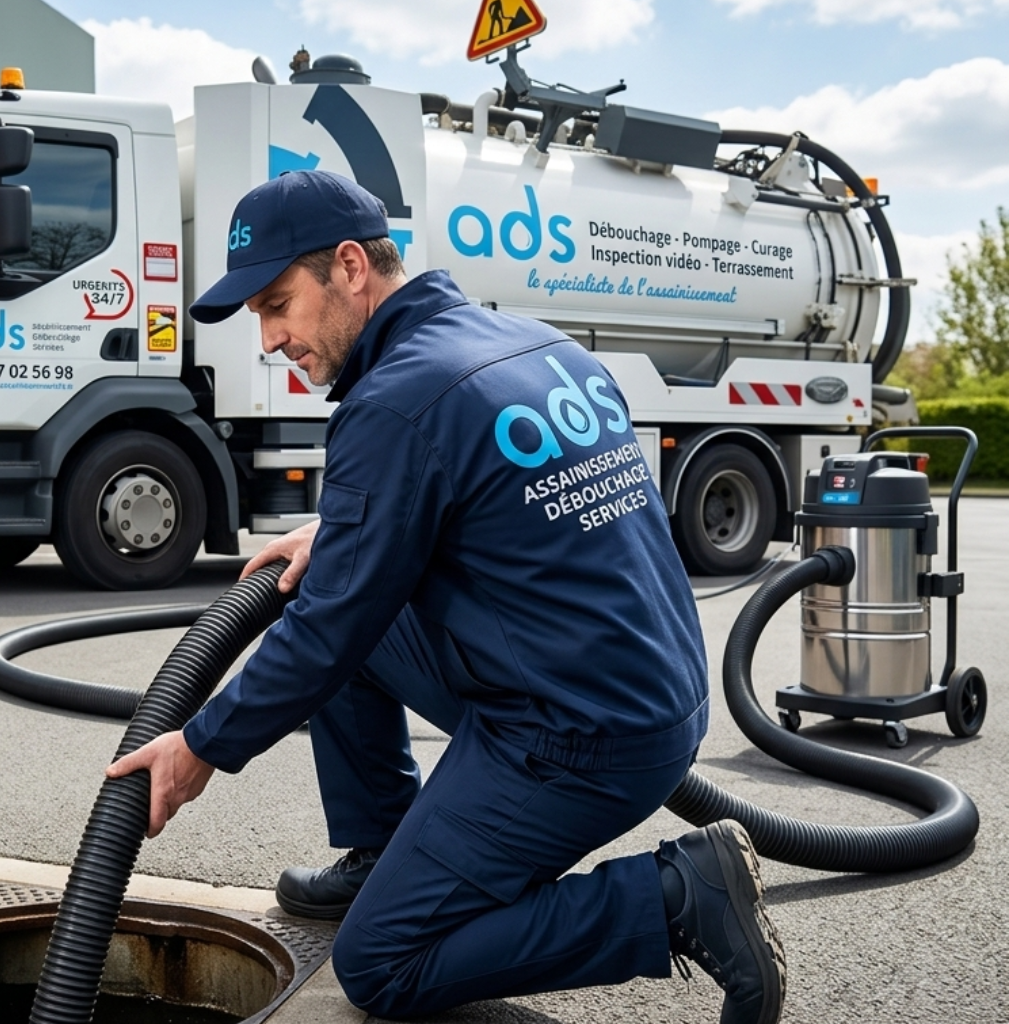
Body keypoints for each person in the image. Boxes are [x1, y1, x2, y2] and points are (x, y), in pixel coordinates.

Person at [106, 170, 785, 1024]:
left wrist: (199, 745)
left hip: (579, 735)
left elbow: (327, 631)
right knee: (338, 603)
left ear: (351, 268)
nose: (272, 339)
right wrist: (337, 538)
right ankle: (388, 851)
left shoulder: (395, 401)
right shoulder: (539, 346)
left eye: (279, 304)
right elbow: (494, 515)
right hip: (645, 695)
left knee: (382, 965)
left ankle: (679, 898)